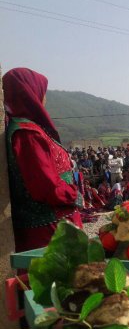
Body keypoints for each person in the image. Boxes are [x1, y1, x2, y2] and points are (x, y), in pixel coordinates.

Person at [3, 68, 83, 252]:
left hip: (55, 228)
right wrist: (75, 195)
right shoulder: (27, 135)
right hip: (50, 234)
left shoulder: (28, 129)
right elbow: (46, 187)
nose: (45, 98)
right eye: (43, 92)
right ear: (30, 93)